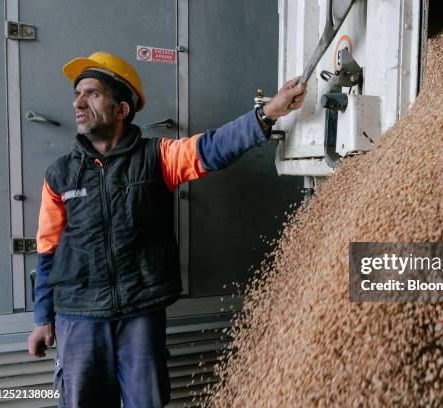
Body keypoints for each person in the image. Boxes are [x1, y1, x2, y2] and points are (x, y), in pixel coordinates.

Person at [26, 51, 306, 407]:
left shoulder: (158, 157)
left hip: (139, 313)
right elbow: (48, 249)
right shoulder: (59, 175)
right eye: (77, 94)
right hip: (78, 315)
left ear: (121, 109)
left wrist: (269, 112)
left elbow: (212, 148)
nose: (78, 102)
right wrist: (41, 318)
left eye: (92, 93)